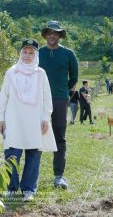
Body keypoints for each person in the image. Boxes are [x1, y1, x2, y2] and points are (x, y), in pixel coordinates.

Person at [0, 39, 57, 202]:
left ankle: (29, 189)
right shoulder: (11, 72)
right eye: (24, 51)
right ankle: (11, 187)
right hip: (14, 120)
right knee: (12, 155)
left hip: (34, 120)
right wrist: (1, 118)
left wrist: (46, 118)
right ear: (20, 53)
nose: (27, 55)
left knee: (33, 155)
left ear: (36, 54)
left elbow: (47, 98)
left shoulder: (40, 73)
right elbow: (3, 96)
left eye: (31, 53)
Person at [38, 20, 78, 189]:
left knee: (59, 136)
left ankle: (58, 176)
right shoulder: (37, 53)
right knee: (36, 136)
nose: (52, 35)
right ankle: (32, 176)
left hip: (60, 100)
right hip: (38, 101)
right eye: (49, 32)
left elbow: (74, 78)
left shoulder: (68, 54)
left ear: (60, 35)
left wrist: (62, 91)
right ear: (46, 34)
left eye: (56, 33)